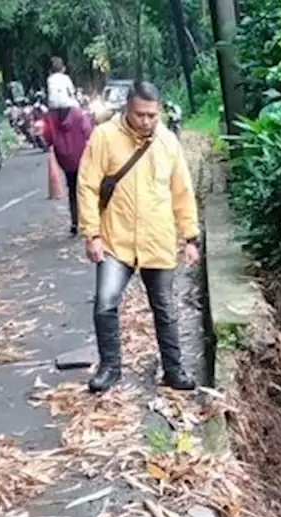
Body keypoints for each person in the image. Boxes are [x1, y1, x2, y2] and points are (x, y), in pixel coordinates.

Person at [76, 81, 199, 394]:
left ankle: (173, 370)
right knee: (105, 302)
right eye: (140, 115)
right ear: (126, 110)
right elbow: (87, 186)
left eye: (152, 115)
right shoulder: (104, 137)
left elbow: (181, 191)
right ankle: (110, 368)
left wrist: (190, 237)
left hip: (157, 239)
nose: (146, 121)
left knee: (165, 308)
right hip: (116, 240)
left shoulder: (168, 142)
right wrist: (91, 233)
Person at [42, 100, 93, 235]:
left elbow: (47, 137)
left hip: (64, 159)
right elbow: (88, 131)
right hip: (82, 156)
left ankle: (75, 222)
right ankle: (88, 221)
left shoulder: (50, 117)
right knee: (86, 189)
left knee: (72, 190)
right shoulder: (78, 114)